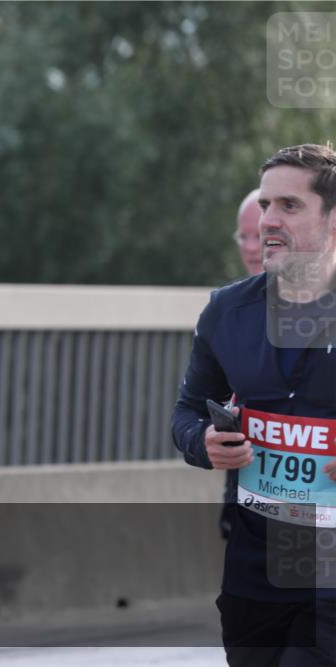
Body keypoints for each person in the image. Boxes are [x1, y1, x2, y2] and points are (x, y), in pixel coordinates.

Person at [172, 143, 336, 666]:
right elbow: (186, 412)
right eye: (265, 205)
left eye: (290, 205)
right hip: (253, 573)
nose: (269, 220)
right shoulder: (226, 311)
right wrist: (202, 442)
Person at [219, 188, 264, 541]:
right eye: (242, 236)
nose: (250, 248)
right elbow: (188, 410)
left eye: (259, 235)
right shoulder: (228, 311)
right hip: (244, 499)